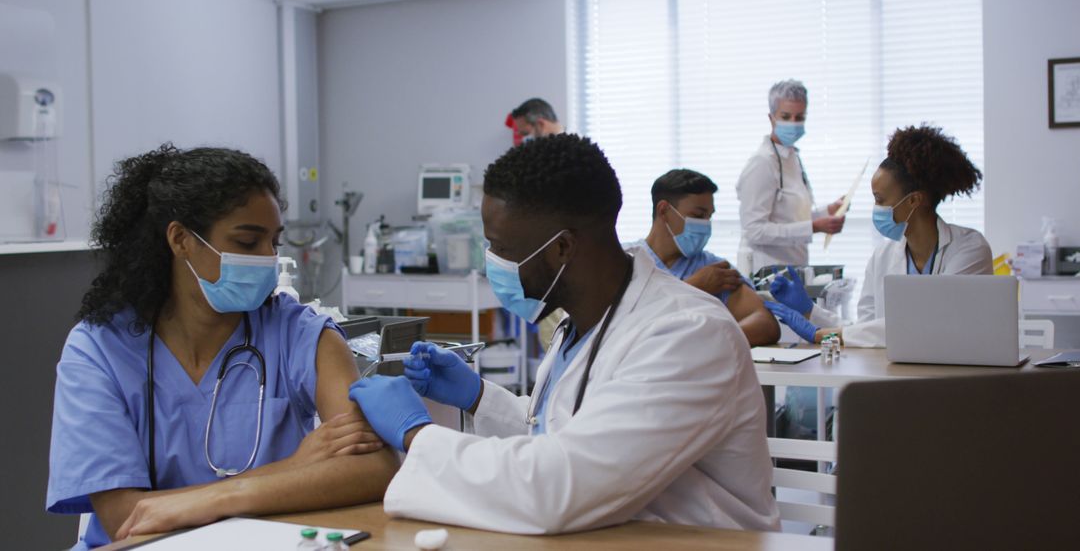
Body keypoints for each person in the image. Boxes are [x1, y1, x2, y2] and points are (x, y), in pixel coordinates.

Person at [348, 134, 779, 534]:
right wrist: (479, 396)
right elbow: (567, 436)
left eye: (501, 248)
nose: (491, 262)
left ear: (561, 248)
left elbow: (558, 485)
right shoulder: (583, 322)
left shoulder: (689, 335)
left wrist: (414, 433)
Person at [46, 145, 399, 549]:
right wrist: (293, 470)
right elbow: (126, 519)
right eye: (248, 243)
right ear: (180, 240)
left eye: (274, 242)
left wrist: (221, 496)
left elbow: (376, 466)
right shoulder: (100, 350)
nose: (268, 258)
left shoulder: (302, 334)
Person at [766, 125, 992, 347]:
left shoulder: (969, 248)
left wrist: (820, 335)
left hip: (954, 377)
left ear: (914, 200)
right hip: (894, 376)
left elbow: (927, 324)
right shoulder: (883, 256)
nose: (876, 208)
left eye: (880, 200)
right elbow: (867, 330)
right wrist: (810, 311)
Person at [628, 169, 780, 346]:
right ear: (663, 210)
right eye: (698, 216)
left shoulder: (714, 269)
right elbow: (619, 323)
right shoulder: (627, 261)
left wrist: (701, 345)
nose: (706, 225)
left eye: (709, 217)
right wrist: (692, 288)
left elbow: (765, 324)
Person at [736, 79, 845, 273]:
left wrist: (828, 211)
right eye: (786, 116)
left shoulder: (792, 158)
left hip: (795, 269)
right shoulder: (762, 163)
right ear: (771, 118)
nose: (793, 123)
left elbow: (791, 219)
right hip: (767, 274)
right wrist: (813, 227)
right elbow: (754, 230)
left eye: (799, 117)